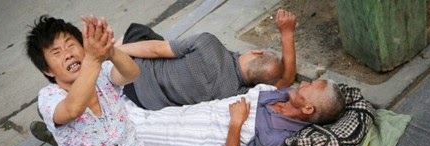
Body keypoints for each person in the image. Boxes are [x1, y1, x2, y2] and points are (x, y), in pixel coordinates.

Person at [25, 15, 184, 146]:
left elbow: (131, 74)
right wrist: (92, 59)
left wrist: (110, 51)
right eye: (57, 52)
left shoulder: (100, 72)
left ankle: (54, 138)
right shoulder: (48, 96)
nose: (69, 54)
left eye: (71, 45)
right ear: (48, 70)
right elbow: (73, 108)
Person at [122, 79, 346, 146]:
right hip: (193, 114)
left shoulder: (276, 137)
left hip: (197, 137)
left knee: (130, 134)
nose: (304, 82)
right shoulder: (287, 94)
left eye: (310, 87)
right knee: (139, 116)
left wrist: (236, 123)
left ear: (308, 109)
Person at [116, 9, 297, 110]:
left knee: (141, 34)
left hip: (131, 74)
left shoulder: (207, 44)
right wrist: (288, 35)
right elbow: (286, 79)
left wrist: (111, 52)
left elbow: (155, 50)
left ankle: (108, 53)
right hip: (145, 102)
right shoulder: (237, 95)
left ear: (256, 53)